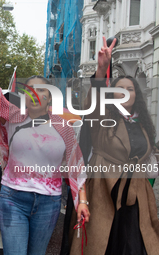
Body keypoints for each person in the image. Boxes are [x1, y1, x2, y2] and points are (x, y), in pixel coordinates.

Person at [0, 28, 90, 255]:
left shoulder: (63, 127)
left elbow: (76, 166)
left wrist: (83, 202)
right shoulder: (13, 116)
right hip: (13, 198)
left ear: (49, 97)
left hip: (49, 203)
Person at [69, 37, 159, 254]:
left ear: (136, 95)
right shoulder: (103, 118)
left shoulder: (143, 124)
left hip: (136, 197)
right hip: (103, 192)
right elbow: (93, 104)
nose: (126, 92)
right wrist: (101, 69)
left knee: (136, 245)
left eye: (131, 88)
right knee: (103, 245)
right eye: (120, 89)